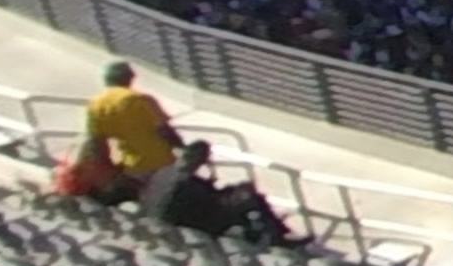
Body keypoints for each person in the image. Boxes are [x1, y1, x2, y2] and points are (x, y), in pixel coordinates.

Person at [137, 141, 303, 246]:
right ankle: (278, 236)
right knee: (249, 199)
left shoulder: (164, 172)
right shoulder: (185, 183)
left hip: (166, 217)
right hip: (189, 222)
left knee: (239, 194)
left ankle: (263, 233)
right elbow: (210, 203)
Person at [79, 60, 182, 198]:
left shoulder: (95, 105)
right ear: (129, 78)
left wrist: (107, 168)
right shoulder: (142, 100)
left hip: (132, 165)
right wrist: (182, 148)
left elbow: (96, 141)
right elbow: (165, 131)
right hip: (162, 162)